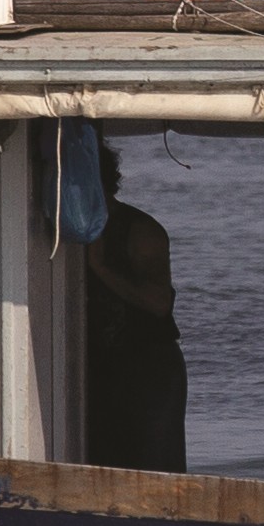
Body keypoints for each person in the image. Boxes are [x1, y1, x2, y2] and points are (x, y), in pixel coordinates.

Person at [84, 200, 189, 471]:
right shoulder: (73, 226)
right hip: (97, 364)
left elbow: (159, 303)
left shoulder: (139, 230)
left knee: (153, 466)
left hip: (148, 364)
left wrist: (101, 267)